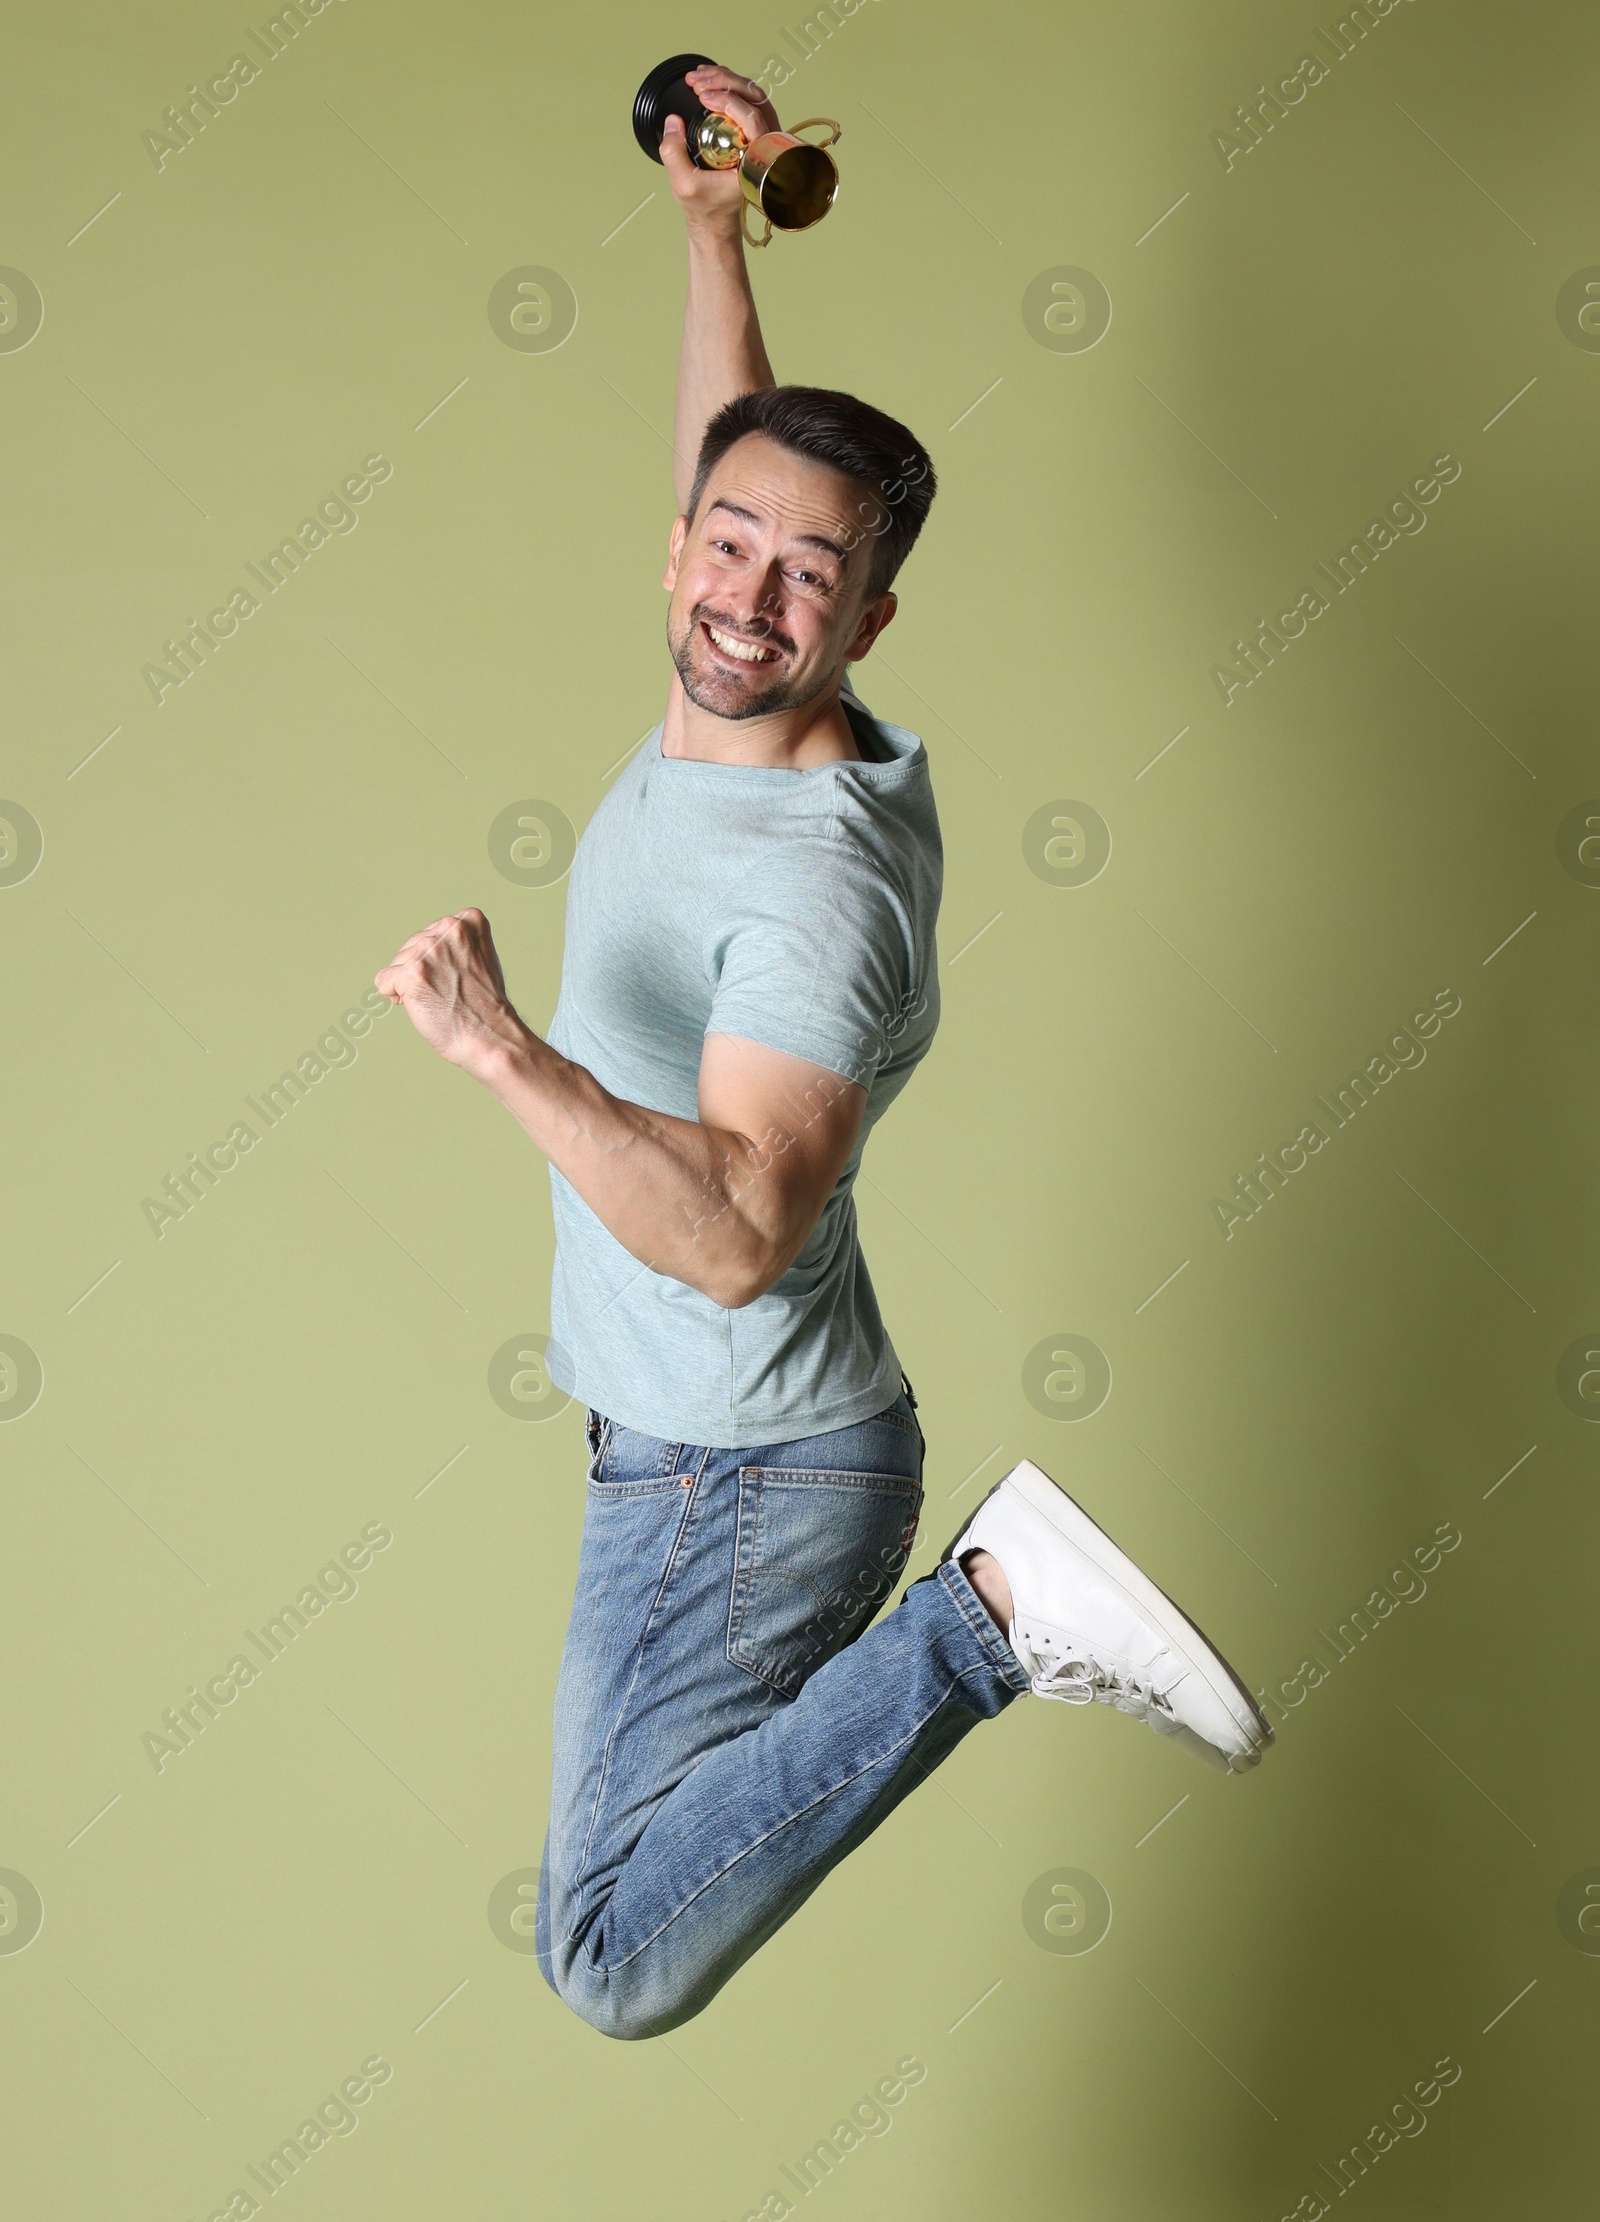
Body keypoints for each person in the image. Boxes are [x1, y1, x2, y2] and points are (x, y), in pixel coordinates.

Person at [375, 60, 1272, 2041]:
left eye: (804, 576)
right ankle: (985, 1611)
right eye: (725, 541)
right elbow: (742, 445)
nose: (745, 597)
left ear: (872, 613)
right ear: (680, 536)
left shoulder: (811, 892)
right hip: (696, 1449)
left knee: (612, 1952)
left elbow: (731, 1238)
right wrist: (706, 230)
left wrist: (505, 1054)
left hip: (744, 1471)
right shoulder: (732, 680)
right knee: (612, 1923)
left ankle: (990, 1616)